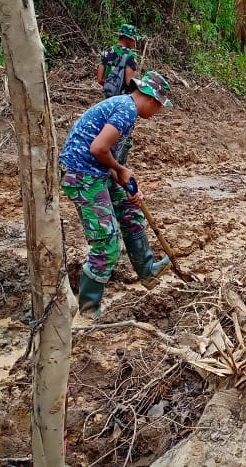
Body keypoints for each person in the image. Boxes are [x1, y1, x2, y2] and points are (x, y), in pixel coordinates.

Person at [60, 71, 172, 317]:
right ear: (152, 100)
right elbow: (98, 148)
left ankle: (147, 271)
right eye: (160, 107)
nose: (157, 113)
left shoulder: (125, 108)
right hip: (82, 177)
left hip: (96, 172)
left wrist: (126, 182)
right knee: (107, 244)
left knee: (130, 209)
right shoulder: (126, 111)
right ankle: (89, 311)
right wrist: (120, 169)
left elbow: (104, 156)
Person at [97, 24, 142, 164]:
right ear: (128, 38)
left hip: (108, 99)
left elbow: (100, 79)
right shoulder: (130, 55)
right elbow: (129, 81)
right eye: (134, 39)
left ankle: (103, 160)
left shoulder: (107, 52)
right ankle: (118, 165)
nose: (134, 42)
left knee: (105, 128)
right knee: (124, 134)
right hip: (124, 100)